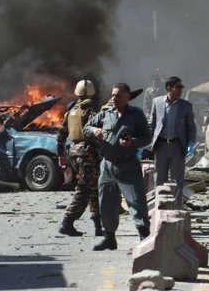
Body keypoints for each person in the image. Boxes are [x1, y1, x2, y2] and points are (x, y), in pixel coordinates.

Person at [84, 83, 152, 251]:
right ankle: (109, 238)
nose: (114, 98)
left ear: (127, 97)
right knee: (106, 203)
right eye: (113, 95)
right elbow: (85, 128)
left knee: (136, 202)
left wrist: (132, 142)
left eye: (118, 96)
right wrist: (94, 131)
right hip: (107, 165)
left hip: (128, 165)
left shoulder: (136, 115)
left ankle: (145, 238)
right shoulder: (105, 113)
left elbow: (147, 137)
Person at [57, 79, 103, 237]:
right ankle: (67, 221)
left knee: (94, 189)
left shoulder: (71, 110)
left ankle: (98, 225)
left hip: (74, 152)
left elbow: (61, 134)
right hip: (88, 153)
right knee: (85, 188)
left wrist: (60, 155)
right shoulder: (92, 110)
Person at [148, 76, 196, 198]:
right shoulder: (157, 102)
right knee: (159, 177)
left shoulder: (186, 106)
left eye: (182, 87)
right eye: (178, 87)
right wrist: (144, 141)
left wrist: (190, 143)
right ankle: (159, 204)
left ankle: (177, 204)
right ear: (169, 88)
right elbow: (151, 124)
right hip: (161, 145)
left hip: (177, 146)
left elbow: (191, 126)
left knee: (177, 178)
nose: (181, 90)